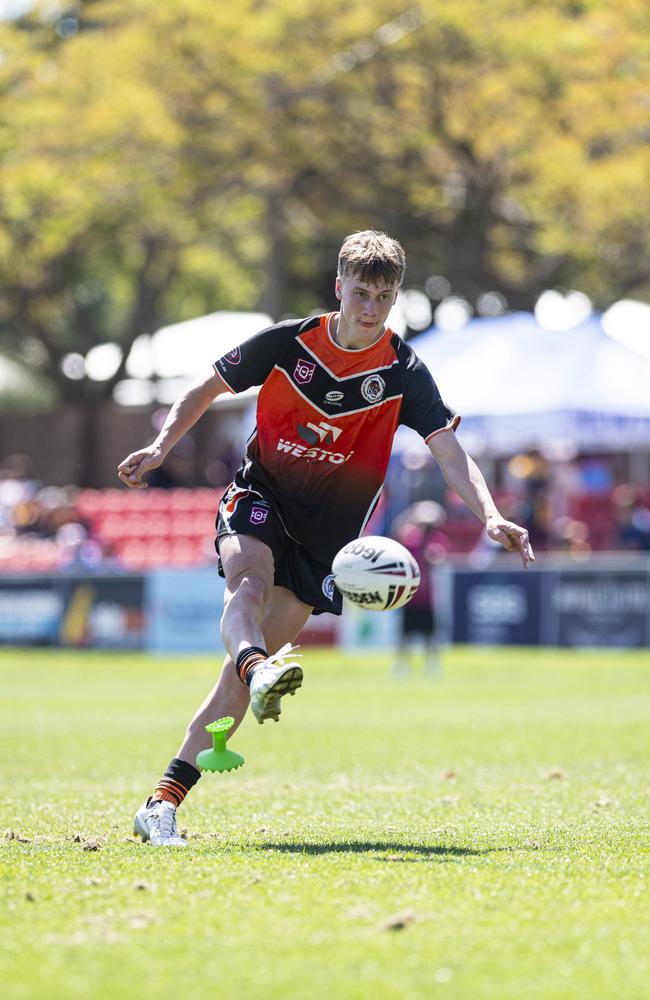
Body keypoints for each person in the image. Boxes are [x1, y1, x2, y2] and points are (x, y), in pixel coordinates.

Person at [118, 230, 534, 847]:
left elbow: (448, 450)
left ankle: (160, 803)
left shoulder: (402, 370)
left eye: (384, 297)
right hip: (260, 497)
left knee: (239, 680)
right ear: (339, 287)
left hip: (329, 542)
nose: (371, 308)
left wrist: (490, 514)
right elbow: (206, 387)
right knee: (249, 585)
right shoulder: (288, 343)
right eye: (361, 293)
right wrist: (161, 447)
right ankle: (257, 665)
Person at [391, 501, 449, 678]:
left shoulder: (435, 540)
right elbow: (398, 537)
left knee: (430, 636)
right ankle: (402, 666)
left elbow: (438, 557)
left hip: (427, 597)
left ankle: (432, 665)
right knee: (405, 635)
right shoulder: (411, 537)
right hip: (409, 597)